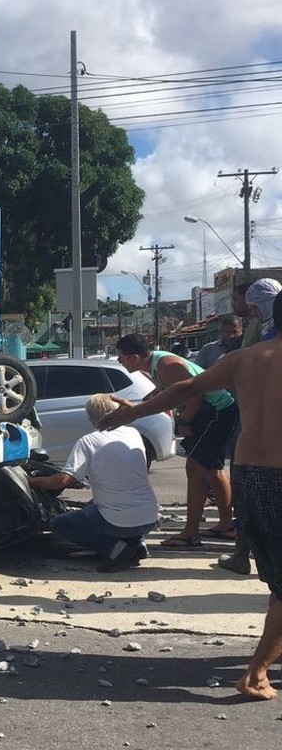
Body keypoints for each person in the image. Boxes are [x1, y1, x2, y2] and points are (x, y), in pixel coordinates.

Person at [100, 293, 282, 701]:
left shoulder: (244, 358)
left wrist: (129, 413)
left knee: (277, 580)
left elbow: (186, 388)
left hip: (251, 477)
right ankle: (255, 673)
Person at [113, 333, 238, 547]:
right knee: (211, 469)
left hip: (217, 410)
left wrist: (183, 422)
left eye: (121, 358)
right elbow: (167, 392)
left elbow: (195, 395)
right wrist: (142, 403)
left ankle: (191, 532)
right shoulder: (153, 366)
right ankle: (225, 526)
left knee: (196, 467)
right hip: (211, 412)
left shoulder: (166, 364)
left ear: (133, 357)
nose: (119, 362)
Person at [29, 394, 158, 572]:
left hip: (117, 522)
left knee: (60, 524)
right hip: (149, 516)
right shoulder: (134, 433)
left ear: (91, 418)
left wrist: (30, 481)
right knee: (102, 508)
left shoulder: (88, 441)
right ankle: (139, 544)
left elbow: (64, 480)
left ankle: (117, 550)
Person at [219, 279, 282, 576]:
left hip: (254, 421)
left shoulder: (263, 329)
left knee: (249, 496)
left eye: (238, 301)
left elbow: (193, 386)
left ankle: (243, 555)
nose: (236, 307)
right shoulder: (267, 324)